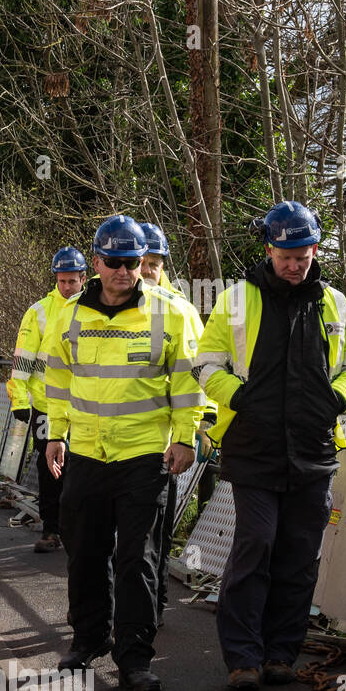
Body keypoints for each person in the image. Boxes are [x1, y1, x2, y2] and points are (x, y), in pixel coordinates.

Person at [196, 200, 346, 691]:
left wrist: (339, 397)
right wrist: (241, 398)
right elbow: (205, 364)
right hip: (253, 449)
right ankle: (243, 658)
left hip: (315, 453)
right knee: (255, 546)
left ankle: (280, 655)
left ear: (315, 248)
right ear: (269, 249)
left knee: (299, 556)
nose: (295, 264)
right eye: (285, 254)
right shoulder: (235, 299)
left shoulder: (334, 303)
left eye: (303, 254)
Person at [42, 215, 204, 691]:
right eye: (113, 262)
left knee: (138, 559)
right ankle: (88, 640)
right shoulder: (70, 315)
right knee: (85, 554)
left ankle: (134, 658)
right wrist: (56, 433)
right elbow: (57, 377)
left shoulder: (168, 314)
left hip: (143, 455)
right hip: (88, 455)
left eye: (132, 263)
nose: (123, 271)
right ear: (96, 262)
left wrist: (186, 437)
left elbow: (186, 383)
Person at [138, 222, 216, 626]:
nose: (149, 270)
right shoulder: (99, 304)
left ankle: (154, 605)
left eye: (155, 263)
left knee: (157, 534)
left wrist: (200, 427)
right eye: (143, 262)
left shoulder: (176, 308)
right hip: (103, 446)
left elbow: (198, 373)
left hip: (162, 443)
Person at [7, 247, 86, 554]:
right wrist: (19, 401)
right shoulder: (39, 311)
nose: (67, 287)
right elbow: (23, 359)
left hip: (84, 406)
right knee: (49, 469)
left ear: (83, 277)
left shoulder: (93, 309)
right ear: (56, 279)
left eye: (72, 281)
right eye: (62, 281)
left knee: (80, 469)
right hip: (46, 406)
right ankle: (52, 530)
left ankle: (75, 530)